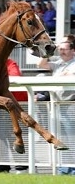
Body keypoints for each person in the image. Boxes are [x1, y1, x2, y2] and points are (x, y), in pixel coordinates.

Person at [37, 34, 75, 175]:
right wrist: (48, 52)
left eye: (64, 49)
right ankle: (65, 167)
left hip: (70, 104)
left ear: (73, 50)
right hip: (57, 105)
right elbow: (41, 64)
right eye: (60, 49)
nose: (61, 51)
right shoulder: (59, 62)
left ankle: (72, 168)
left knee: (72, 137)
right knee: (60, 137)